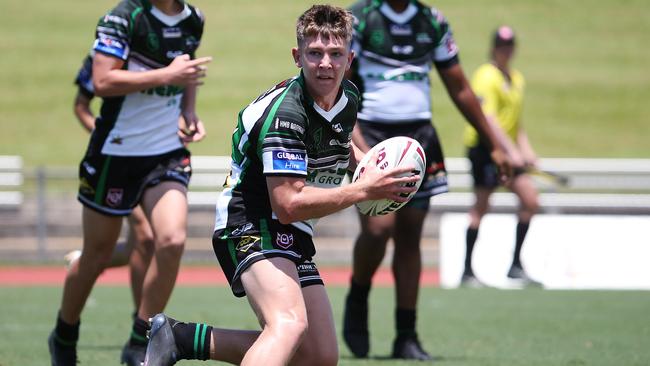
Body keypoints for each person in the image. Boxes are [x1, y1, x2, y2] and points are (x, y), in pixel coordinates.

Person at [142, 5, 420, 366]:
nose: (325, 64)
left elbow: (338, 138)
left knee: (317, 356)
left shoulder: (346, 98)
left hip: (291, 230)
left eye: (336, 54)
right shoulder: (286, 115)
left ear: (349, 59)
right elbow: (288, 202)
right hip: (250, 223)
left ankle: (180, 338)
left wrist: (369, 166)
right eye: (315, 53)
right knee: (287, 325)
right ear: (297, 56)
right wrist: (366, 190)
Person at [342, 0, 511, 360]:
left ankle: (407, 334)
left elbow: (460, 87)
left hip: (419, 139)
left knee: (410, 237)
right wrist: (358, 145)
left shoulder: (432, 21)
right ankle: (358, 294)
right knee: (377, 230)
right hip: (370, 134)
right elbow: (338, 87)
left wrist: (493, 143)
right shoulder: (359, 18)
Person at [47, 0, 210, 365]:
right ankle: (64, 333)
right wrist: (165, 76)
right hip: (114, 156)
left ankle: (140, 341)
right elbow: (102, 81)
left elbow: (187, 71)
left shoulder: (193, 19)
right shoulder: (123, 18)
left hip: (166, 152)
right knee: (97, 255)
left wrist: (188, 111)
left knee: (171, 239)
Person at [66, 54, 156, 318]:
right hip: (114, 163)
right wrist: (106, 136)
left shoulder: (162, 50)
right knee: (145, 237)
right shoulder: (102, 56)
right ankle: (142, 325)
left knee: (135, 247)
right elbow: (81, 105)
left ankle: (83, 261)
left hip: (152, 159)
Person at [461, 26, 540, 287]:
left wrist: (525, 149)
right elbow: (489, 119)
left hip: (508, 151)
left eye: (509, 46)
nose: (505, 50)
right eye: (501, 45)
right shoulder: (486, 76)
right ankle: (467, 271)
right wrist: (511, 151)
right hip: (485, 149)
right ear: (494, 47)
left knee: (530, 199)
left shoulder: (516, 78)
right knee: (481, 206)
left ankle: (516, 265)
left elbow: (515, 123)